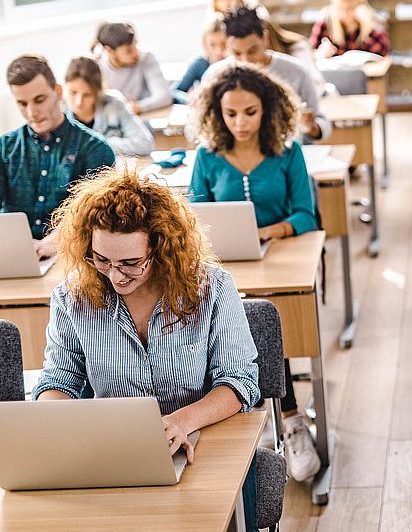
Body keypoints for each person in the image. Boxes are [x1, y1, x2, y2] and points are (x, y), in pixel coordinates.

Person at [31, 168, 262, 530]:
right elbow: (59, 379)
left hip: (206, 442)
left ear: (160, 246)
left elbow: (240, 381)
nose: (116, 275)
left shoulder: (211, 288)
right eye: (102, 260)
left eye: (131, 263)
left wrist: (181, 421)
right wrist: (64, 426)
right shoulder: (72, 297)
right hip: (117, 453)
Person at [189, 62, 321, 482]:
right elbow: (193, 218)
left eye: (250, 112)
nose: (240, 122)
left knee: (270, 323)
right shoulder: (207, 156)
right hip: (222, 266)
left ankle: (290, 419)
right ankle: (251, 419)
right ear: (217, 112)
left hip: (278, 261)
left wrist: (270, 230)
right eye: (230, 113)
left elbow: (306, 213)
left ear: (268, 109)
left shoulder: (287, 151)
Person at [1, 54, 115, 259]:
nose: (32, 112)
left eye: (39, 100)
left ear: (58, 92)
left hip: (72, 260)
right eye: (22, 103)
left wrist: (54, 242)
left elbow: (99, 220)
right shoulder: (4, 148)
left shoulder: (95, 150)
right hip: (12, 258)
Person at [204, 6, 331, 144]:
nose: (246, 61)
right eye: (237, 53)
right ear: (227, 46)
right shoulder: (215, 75)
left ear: (264, 38)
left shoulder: (297, 71)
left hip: (284, 154)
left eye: (252, 51)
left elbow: (321, 121)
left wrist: (311, 127)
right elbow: (196, 125)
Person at [64, 56, 154, 156]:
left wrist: (99, 144)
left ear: (98, 92)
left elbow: (145, 144)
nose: (79, 102)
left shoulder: (114, 103)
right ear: (63, 87)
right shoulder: (58, 111)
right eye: (73, 92)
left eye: (87, 95)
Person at [94, 22, 172, 114]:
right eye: (128, 51)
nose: (136, 53)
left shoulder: (146, 56)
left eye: (135, 45)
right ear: (109, 50)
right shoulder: (98, 66)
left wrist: (138, 107)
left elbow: (164, 97)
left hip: (149, 117)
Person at [310, 0, 390, 58]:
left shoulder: (375, 22)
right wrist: (319, 54)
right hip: (333, 75)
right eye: (341, 9)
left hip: (367, 76)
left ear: (361, 6)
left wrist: (367, 28)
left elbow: (383, 54)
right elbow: (308, 52)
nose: (346, 14)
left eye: (350, 8)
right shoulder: (326, 21)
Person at [173, 17, 228, 105]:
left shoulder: (235, 63)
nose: (218, 51)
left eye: (224, 44)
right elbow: (175, 91)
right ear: (205, 44)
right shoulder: (199, 64)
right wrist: (191, 100)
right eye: (212, 45)